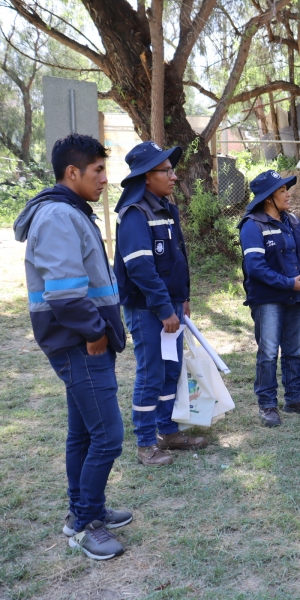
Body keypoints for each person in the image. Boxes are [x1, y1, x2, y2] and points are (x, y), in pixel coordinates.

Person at [13, 134, 130, 559]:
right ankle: (84, 525)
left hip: (82, 342)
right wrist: (95, 333)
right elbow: (64, 294)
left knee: (82, 432)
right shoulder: (60, 217)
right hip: (81, 344)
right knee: (108, 437)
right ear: (72, 173)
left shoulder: (70, 212)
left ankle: (85, 509)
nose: (105, 179)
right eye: (98, 170)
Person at [114, 141, 207, 467]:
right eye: (166, 170)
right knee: (151, 372)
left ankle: (167, 431)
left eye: (171, 169)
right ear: (146, 176)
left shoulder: (167, 208)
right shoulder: (135, 214)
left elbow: (177, 259)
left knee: (171, 369)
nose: (173, 175)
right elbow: (140, 268)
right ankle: (144, 443)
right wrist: (165, 309)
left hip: (170, 308)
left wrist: (183, 299)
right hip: (147, 310)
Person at [239, 171, 300, 427]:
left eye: (287, 189)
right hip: (268, 300)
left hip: (296, 297)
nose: (288, 194)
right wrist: (289, 283)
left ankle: (294, 399)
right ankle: (267, 405)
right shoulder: (252, 225)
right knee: (267, 353)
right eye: (282, 191)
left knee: (294, 350)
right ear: (268, 199)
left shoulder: (294, 221)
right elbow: (255, 267)